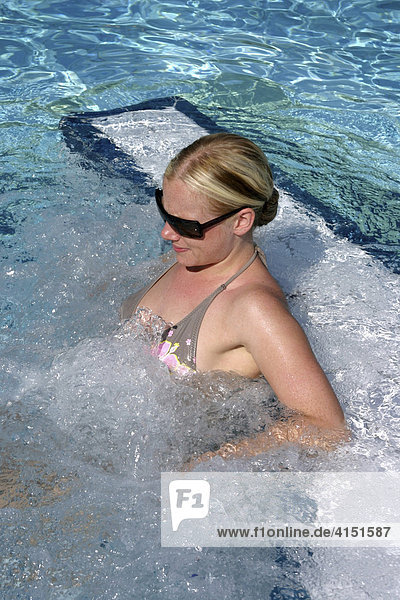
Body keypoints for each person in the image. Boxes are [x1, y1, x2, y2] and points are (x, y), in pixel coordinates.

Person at [121, 132, 349, 463]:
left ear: (241, 221)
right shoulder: (187, 256)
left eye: (186, 224)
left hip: (160, 460)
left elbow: (328, 427)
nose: (167, 233)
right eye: (165, 212)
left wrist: (211, 462)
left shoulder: (253, 310)